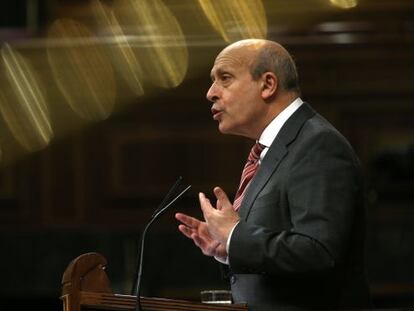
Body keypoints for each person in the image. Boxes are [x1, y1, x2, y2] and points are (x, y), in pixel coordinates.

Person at [175, 39, 371, 310]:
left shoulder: (317, 145)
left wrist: (235, 236)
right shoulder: (274, 148)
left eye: (225, 78)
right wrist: (229, 249)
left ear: (268, 84)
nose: (210, 92)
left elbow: (319, 251)